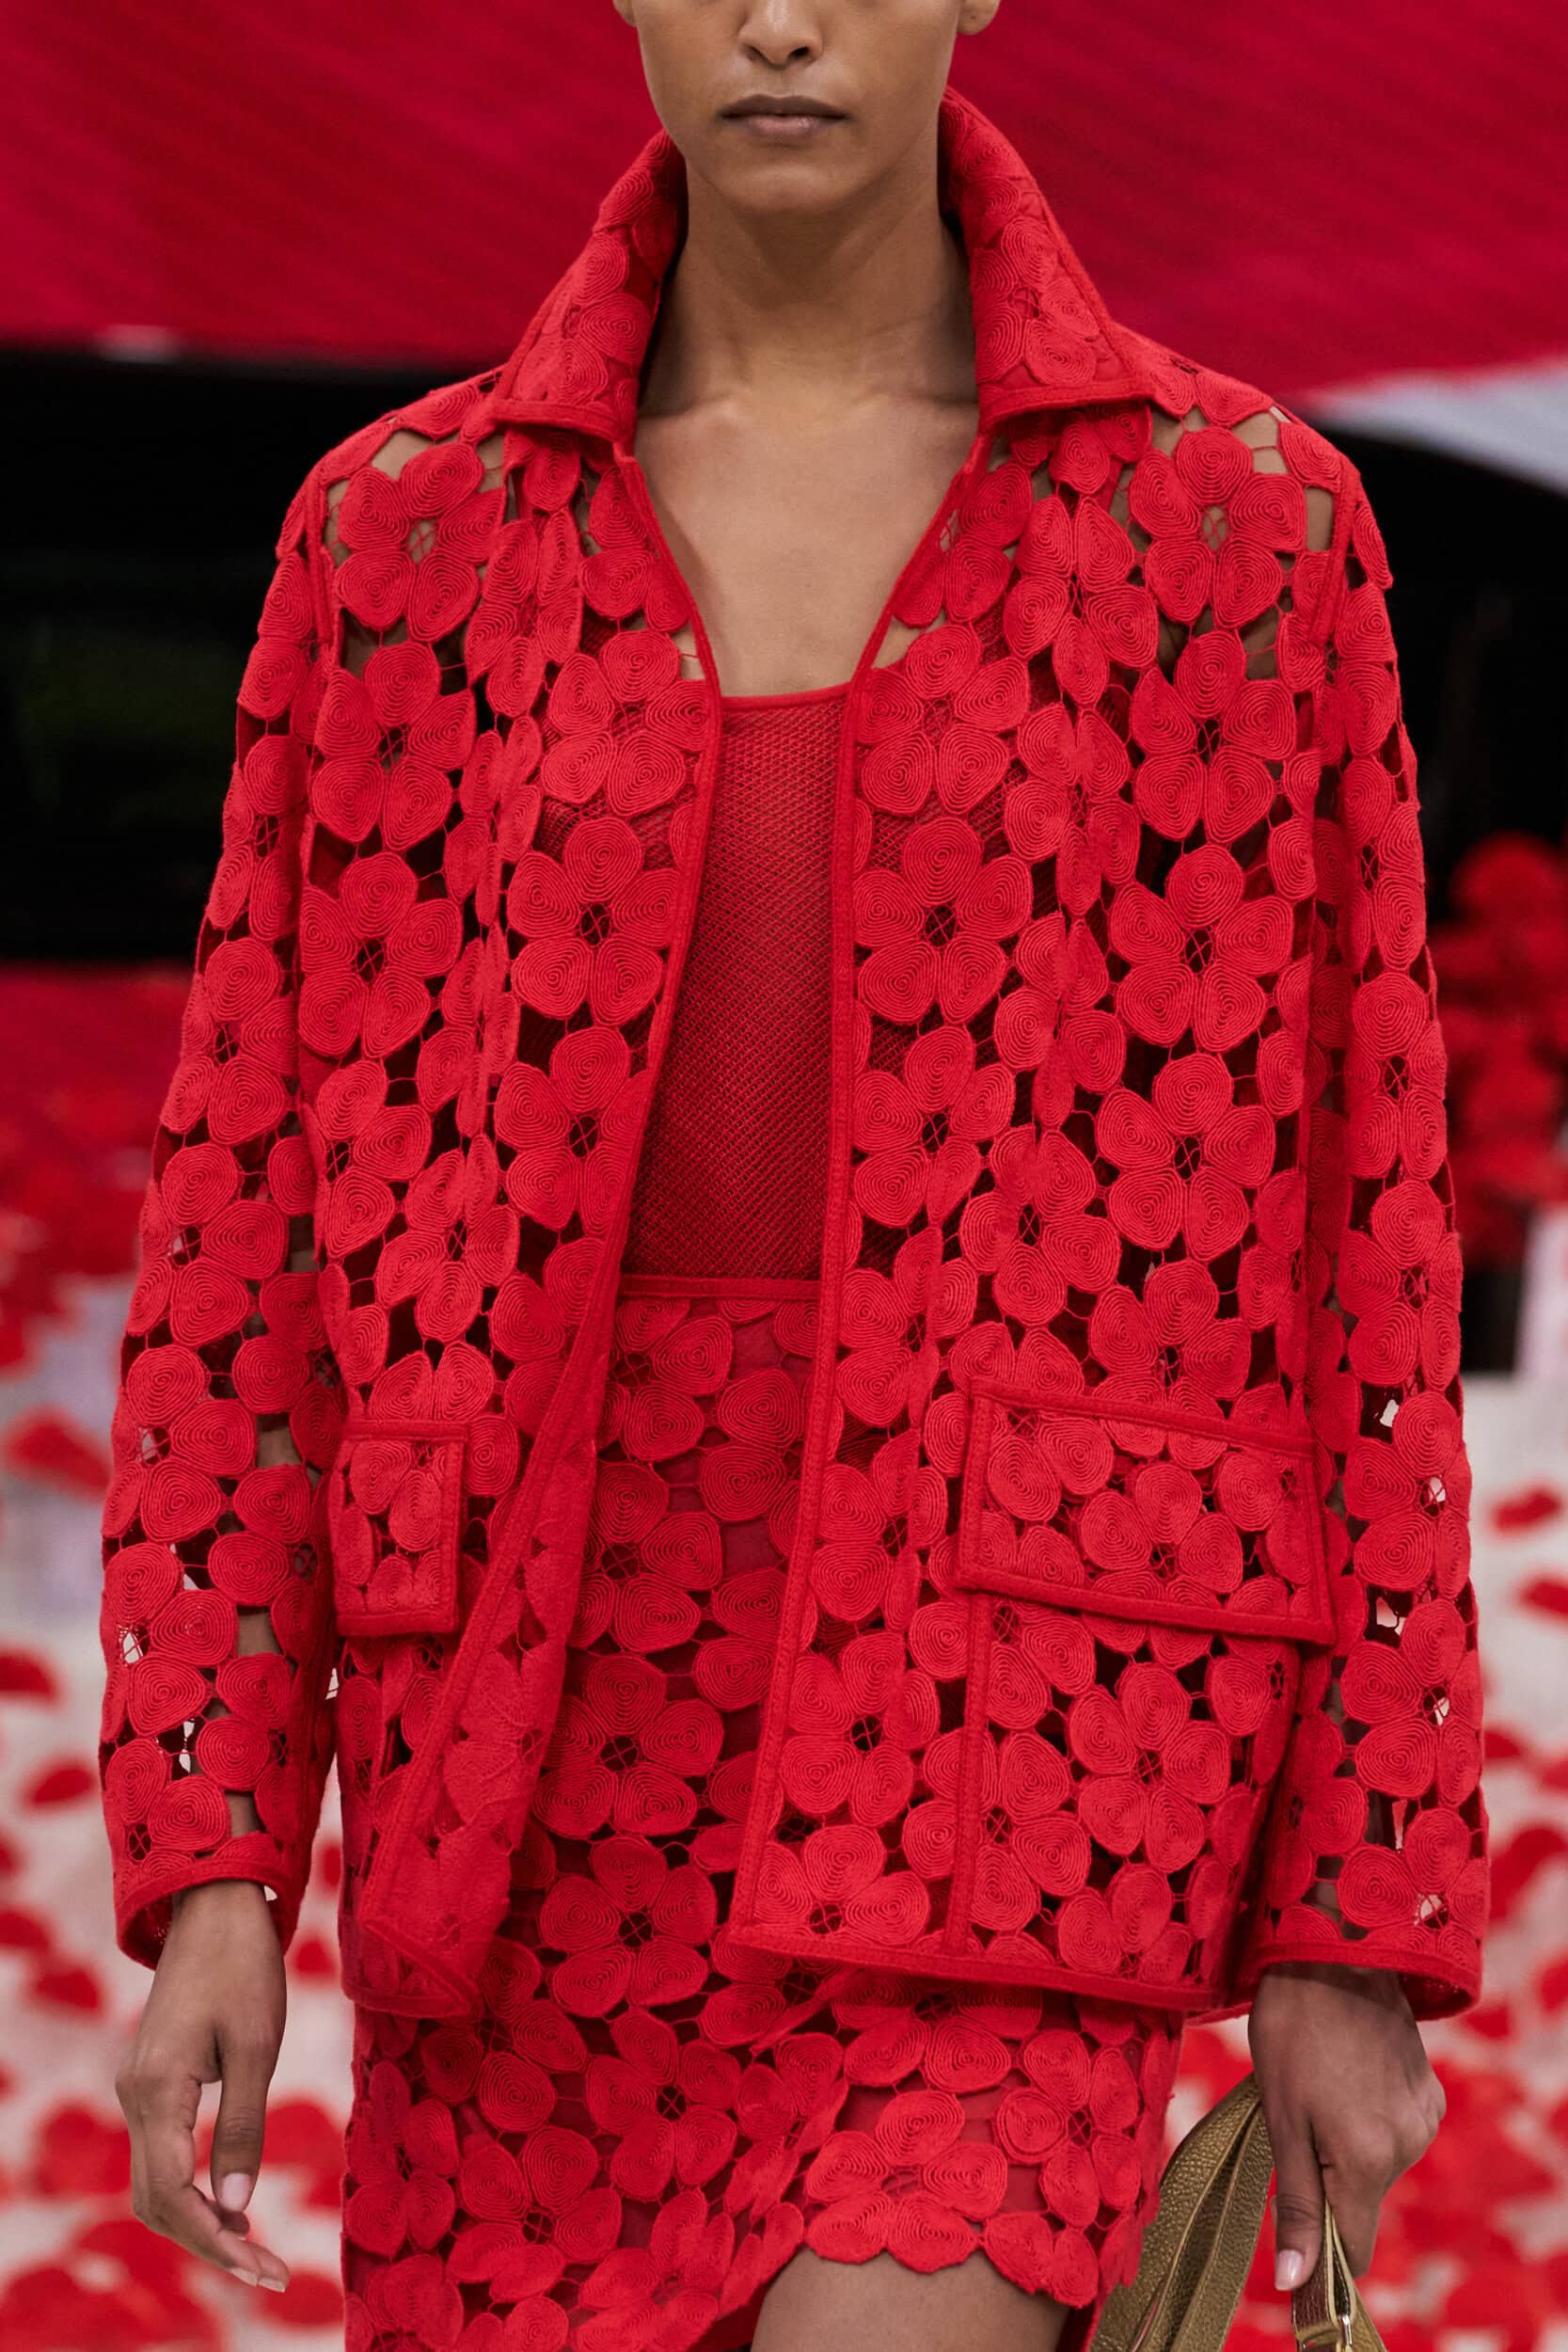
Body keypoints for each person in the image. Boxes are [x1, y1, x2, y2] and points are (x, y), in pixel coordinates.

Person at [100, 6, 1486, 2350]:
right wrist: (216, 1856)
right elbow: (251, 1234)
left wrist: (1351, 1915)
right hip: (524, 1778)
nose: (777, 15)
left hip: (1016, 1742)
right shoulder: (402, 536)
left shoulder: (1235, 525)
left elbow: (1367, 1233)